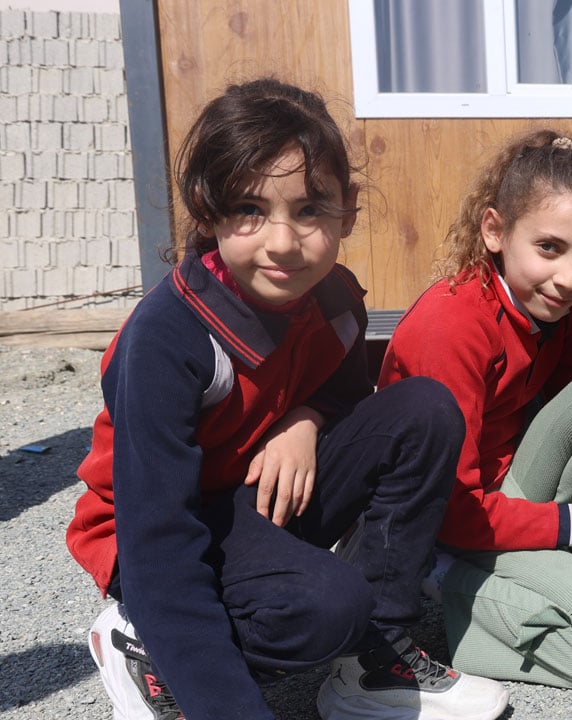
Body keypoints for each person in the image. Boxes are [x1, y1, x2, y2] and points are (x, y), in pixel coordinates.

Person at [65, 78, 509, 720]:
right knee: (326, 607)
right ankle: (145, 648)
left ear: (347, 210)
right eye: (248, 208)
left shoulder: (335, 298)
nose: (282, 241)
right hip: (150, 527)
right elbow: (160, 543)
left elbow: (350, 397)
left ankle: (372, 665)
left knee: (424, 411)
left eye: (309, 209)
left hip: (255, 491)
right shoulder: (167, 342)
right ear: (205, 206)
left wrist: (304, 419)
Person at [378, 130, 572, 692]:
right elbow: (456, 508)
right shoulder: (453, 327)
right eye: (549, 248)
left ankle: (545, 566)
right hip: (446, 521)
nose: (569, 278)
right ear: (494, 231)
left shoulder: (552, 305)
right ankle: (447, 589)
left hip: (506, 490)